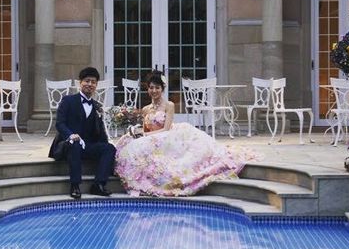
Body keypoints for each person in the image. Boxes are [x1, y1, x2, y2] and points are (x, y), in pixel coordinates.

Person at [115, 71, 253, 197]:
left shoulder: (169, 105)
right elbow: (147, 130)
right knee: (129, 144)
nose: (154, 91)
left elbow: (166, 129)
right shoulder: (145, 109)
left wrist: (146, 136)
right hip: (152, 138)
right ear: (147, 89)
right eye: (151, 87)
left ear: (162, 89)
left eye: (157, 87)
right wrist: (138, 132)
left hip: (165, 136)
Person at [49, 67, 116, 199]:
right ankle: (75, 185)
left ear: (96, 85)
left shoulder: (97, 106)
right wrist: (71, 135)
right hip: (68, 144)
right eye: (87, 81)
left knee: (109, 148)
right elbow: (60, 124)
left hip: (88, 145)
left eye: (93, 82)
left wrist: (106, 143)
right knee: (75, 144)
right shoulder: (68, 100)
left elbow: (100, 130)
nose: (90, 84)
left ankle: (98, 184)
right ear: (80, 83)